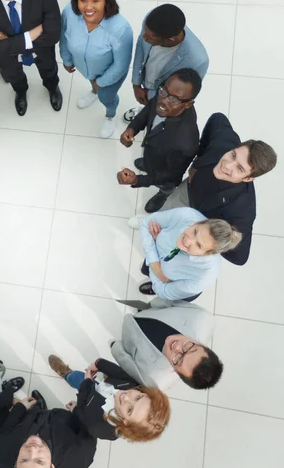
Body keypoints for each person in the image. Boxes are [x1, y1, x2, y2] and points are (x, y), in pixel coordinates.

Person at [159, 113, 278, 266]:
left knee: (173, 245)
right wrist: (199, 156)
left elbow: (239, 257)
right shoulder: (223, 142)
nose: (227, 165)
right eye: (233, 155)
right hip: (186, 193)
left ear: (248, 178)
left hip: (201, 221)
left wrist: (208, 241)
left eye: (240, 168)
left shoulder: (242, 210)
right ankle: (152, 224)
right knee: (164, 214)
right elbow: (218, 118)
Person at [60, 0, 133, 138]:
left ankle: (110, 115)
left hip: (109, 76)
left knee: (107, 98)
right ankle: (93, 91)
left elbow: (121, 65)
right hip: (84, 67)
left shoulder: (120, 28)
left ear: (107, 0)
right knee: (91, 82)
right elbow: (63, 36)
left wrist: (101, 83)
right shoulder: (69, 13)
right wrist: (66, 59)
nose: (88, 7)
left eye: (95, 0)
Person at [118, 68, 201, 213]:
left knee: (166, 186)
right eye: (163, 91)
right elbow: (148, 111)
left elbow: (169, 175)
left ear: (188, 104)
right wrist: (132, 129)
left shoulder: (185, 143)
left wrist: (138, 180)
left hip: (164, 172)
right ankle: (147, 163)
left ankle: (163, 195)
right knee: (149, 161)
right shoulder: (165, 93)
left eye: (174, 100)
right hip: (154, 153)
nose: (164, 101)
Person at [0, 392, 96, 468]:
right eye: (39, 461)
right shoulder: (80, 459)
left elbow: (8, 426)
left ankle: (39, 406)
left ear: (15, 466)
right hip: (63, 419)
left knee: (36, 408)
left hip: (32, 416)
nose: (32, 450)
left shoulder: (2, 455)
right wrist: (78, 411)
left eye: (23, 460)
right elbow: (90, 431)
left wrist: (20, 407)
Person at [47, 355, 170, 442]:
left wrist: (86, 385)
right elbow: (119, 373)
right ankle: (71, 375)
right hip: (110, 383)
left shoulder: (100, 427)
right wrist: (99, 364)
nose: (126, 397)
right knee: (107, 378)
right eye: (138, 397)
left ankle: (66, 374)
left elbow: (84, 418)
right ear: (145, 394)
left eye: (130, 410)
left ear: (126, 423)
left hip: (88, 393)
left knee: (76, 378)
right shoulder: (134, 385)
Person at [111, 300, 223, 390]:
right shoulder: (203, 318)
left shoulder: (154, 379)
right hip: (150, 313)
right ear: (204, 346)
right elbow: (172, 303)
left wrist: (115, 345)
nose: (177, 347)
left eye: (178, 359)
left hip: (128, 333)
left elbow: (124, 359)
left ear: (177, 373)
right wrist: (151, 305)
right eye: (190, 347)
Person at [125, 4, 209, 123]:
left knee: (157, 120)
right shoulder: (151, 22)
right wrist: (136, 84)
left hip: (163, 99)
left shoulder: (198, 61)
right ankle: (145, 113)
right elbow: (140, 45)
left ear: (170, 39)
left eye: (149, 37)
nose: (144, 37)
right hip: (147, 82)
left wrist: (150, 96)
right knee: (147, 110)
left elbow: (183, 95)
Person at [138, 208, 241, 301]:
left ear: (207, 253)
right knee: (145, 269)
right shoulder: (186, 216)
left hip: (178, 288)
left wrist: (154, 247)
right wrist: (157, 268)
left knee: (161, 294)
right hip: (159, 266)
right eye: (195, 231)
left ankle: (154, 285)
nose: (187, 241)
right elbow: (146, 223)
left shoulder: (204, 275)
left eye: (199, 245)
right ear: (198, 222)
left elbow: (163, 292)